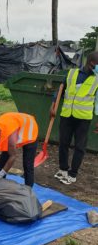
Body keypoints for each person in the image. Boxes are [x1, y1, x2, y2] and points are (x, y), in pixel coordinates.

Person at [50, 51, 98, 185]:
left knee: (80, 146)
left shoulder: (97, 79)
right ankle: (63, 169)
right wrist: (54, 104)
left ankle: (72, 174)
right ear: (92, 63)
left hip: (83, 119)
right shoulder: (71, 74)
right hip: (67, 115)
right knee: (63, 143)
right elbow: (60, 90)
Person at [0, 112, 38, 187]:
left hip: (30, 128)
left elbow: (13, 156)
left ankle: (28, 190)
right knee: (3, 160)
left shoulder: (10, 136)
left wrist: (0, 175)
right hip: (14, 123)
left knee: (27, 164)